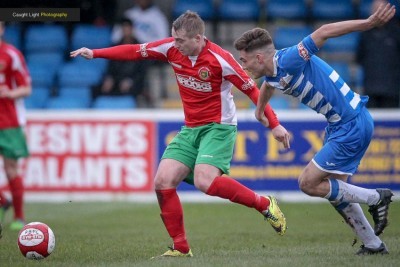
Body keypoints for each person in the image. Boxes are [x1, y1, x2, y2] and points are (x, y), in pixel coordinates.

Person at [71, 11, 291, 258]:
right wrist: (96, 53)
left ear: (197, 39)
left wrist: (275, 124)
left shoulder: (221, 59)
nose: (174, 45)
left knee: (204, 181)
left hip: (219, 127)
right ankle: (181, 247)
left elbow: (253, 91)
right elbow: (135, 50)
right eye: (173, 40)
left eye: (180, 41)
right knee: (162, 182)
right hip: (191, 128)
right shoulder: (171, 48)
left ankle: (264, 204)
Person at [234, 3, 396, 255]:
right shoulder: (273, 73)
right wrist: (260, 112)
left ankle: (377, 198)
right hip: (342, 123)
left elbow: (324, 30)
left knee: (308, 183)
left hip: (351, 123)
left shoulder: (290, 58)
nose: (242, 67)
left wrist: (368, 23)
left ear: (259, 58)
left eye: (244, 61)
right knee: (337, 193)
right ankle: (373, 244)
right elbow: (268, 85)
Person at [0, 21, 31, 231]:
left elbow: (26, 88)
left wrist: (10, 94)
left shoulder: (11, 54)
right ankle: (4, 200)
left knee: (11, 168)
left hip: (8, 119)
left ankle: (19, 217)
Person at [93, 18, 150, 106]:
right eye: (124, 29)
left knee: (132, 89)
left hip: (133, 81)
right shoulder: (115, 46)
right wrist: (109, 78)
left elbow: (142, 71)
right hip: (116, 79)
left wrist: (130, 81)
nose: (126, 31)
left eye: (128, 28)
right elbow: (110, 66)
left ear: (132, 29)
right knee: (97, 88)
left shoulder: (141, 47)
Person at [356, 0, 400, 108]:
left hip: (392, 89)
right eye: (376, 10)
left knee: (391, 122)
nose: (378, 14)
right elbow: (359, 57)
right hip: (370, 88)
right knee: (371, 121)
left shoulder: (396, 32)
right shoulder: (365, 34)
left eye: (381, 10)